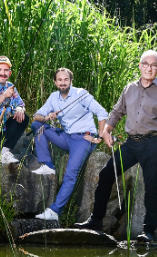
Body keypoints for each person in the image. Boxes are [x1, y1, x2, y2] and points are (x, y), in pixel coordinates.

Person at [74, 50, 157, 244]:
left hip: (153, 143)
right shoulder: (130, 88)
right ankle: (96, 221)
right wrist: (107, 130)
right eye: (145, 64)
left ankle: (148, 232)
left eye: (153, 65)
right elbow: (117, 111)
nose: (149, 68)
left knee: (152, 187)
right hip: (131, 144)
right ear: (140, 65)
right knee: (106, 174)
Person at [30, 68, 108, 220]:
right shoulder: (54, 97)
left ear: (71, 81)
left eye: (66, 80)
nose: (63, 83)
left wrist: (99, 135)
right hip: (67, 137)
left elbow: (102, 112)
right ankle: (47, 165)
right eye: (60, 80)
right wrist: (47, 117)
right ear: (55, 82)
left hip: (83, 139)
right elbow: (36, 116)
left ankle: (54, 211)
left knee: (70, 175)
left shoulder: (81, 94)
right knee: (37, 126)